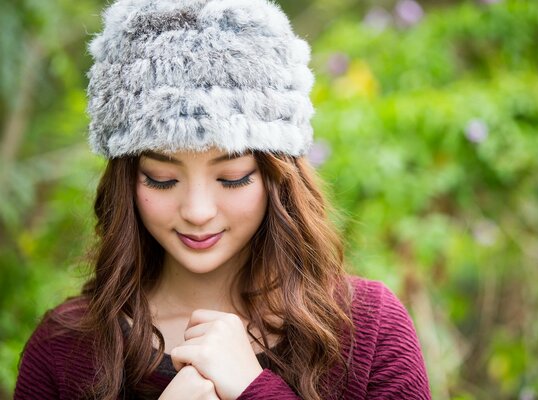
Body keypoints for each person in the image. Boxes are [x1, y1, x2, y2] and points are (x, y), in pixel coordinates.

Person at [14, 0, 431, 398]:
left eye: (232, 178)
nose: (197, 211)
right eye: (162, 179)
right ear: (127, 181)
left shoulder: (369, 329)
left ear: (277, 178)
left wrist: (255, 389)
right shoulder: (64, 348)